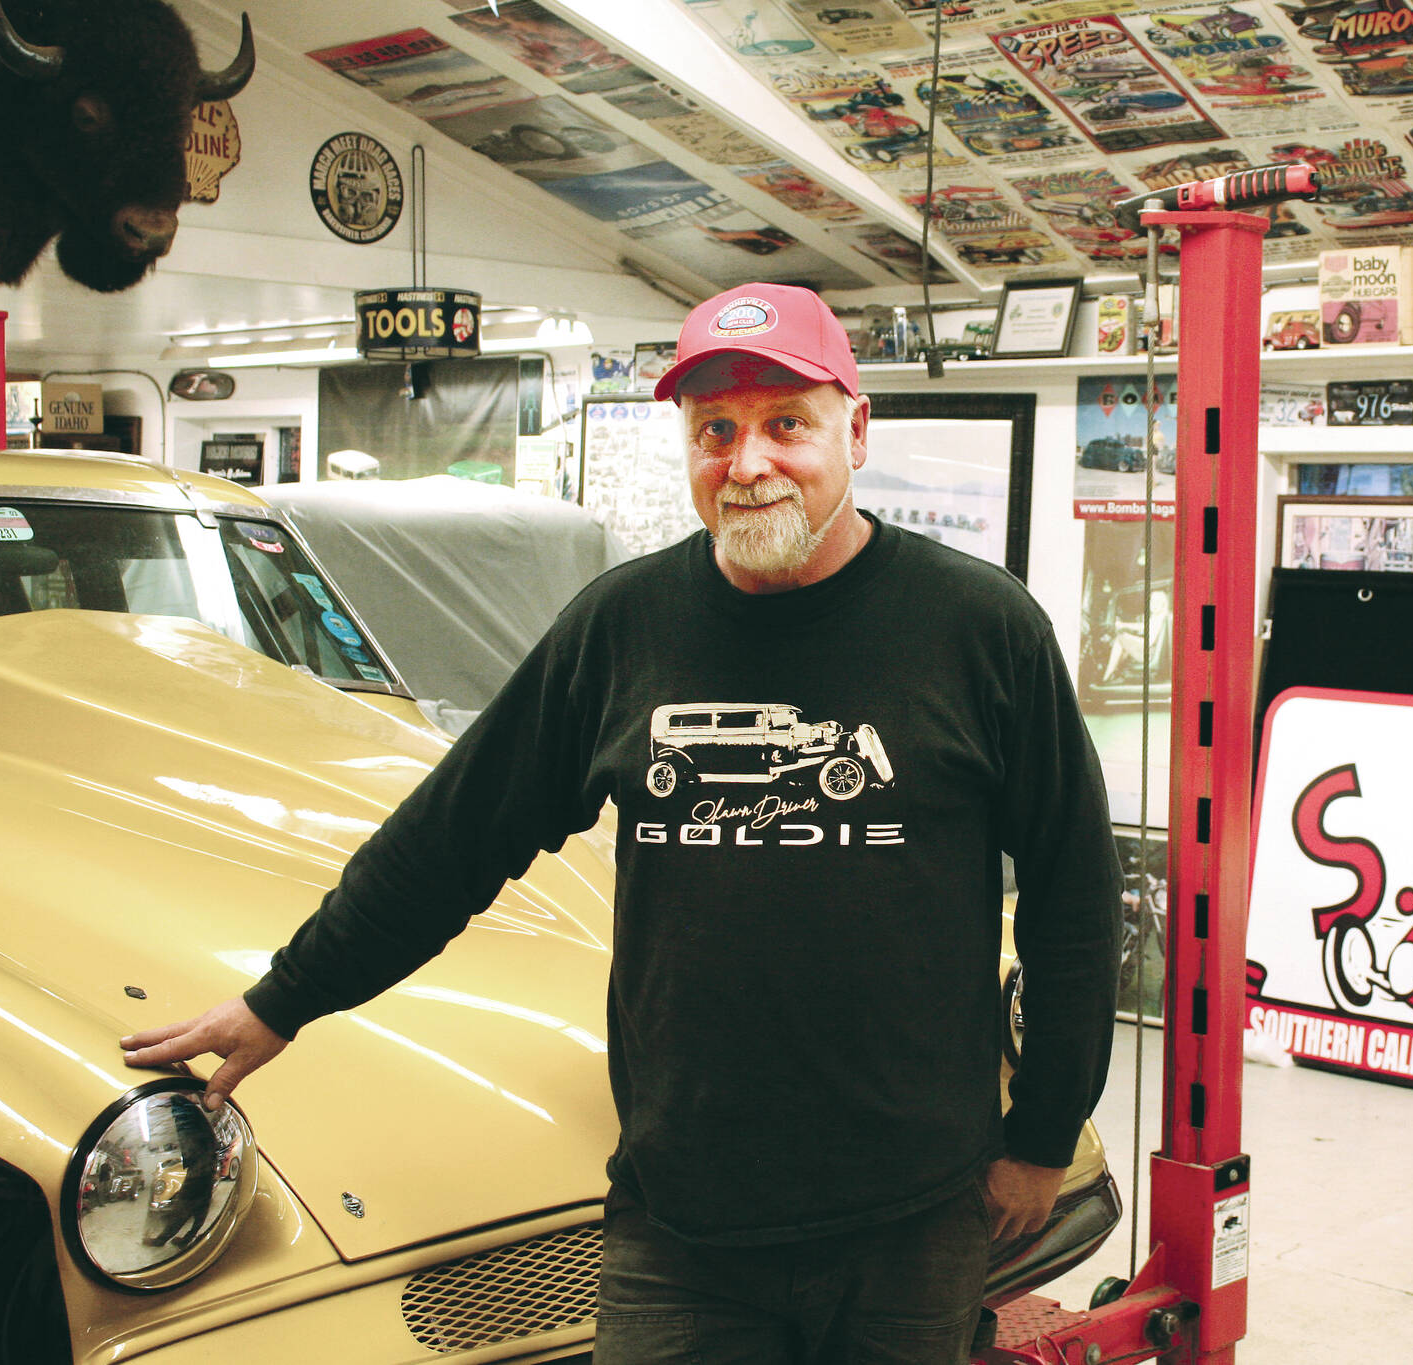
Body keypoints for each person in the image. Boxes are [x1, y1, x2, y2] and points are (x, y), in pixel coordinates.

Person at [121, 283, 1122, 1364]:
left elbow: (1074, 893)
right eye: (716, 432)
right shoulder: (622, 627)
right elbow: (451, 839)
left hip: (913, 1217)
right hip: (679, 1217)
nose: (748, 464)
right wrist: (286, 999)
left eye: (786, 424)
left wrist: (1042, 1132)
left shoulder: (978, 628)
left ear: (855, 429)